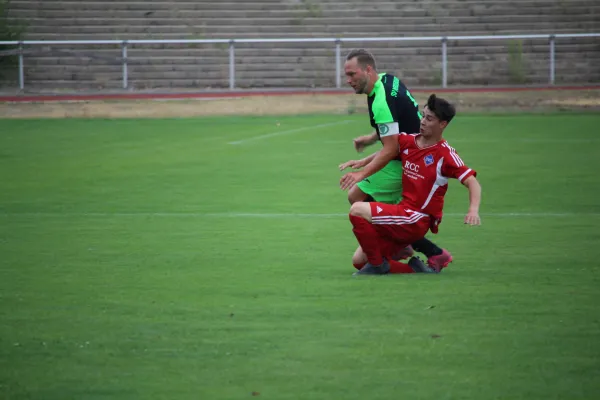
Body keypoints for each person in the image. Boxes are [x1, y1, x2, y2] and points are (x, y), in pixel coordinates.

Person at [338, 48, 451, 269]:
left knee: (356, 195)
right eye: (347, 75)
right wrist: (371, 139)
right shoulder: (387, 80)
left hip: (408, 160)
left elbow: (391, 149)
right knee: (362, 201)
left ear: (368, 70)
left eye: (352, 74)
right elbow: (398, 125)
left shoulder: (380, 101)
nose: (348, 80)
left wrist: (362, 170)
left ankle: (411, 248)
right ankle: (417, 248)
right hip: (414, 153)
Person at [347, 93, 482, 275]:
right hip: (403, 214)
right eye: (423, 116)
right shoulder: (409, 141)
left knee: (357, 209)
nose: (423, 121)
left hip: (417, 219)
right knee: (359, 261)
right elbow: (388, 149)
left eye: (430, 118)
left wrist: (473, 210)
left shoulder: (445, 154)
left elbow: (472, 182)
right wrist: (362, 162)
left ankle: (378, 266)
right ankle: (415, 270)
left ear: (442, 124)